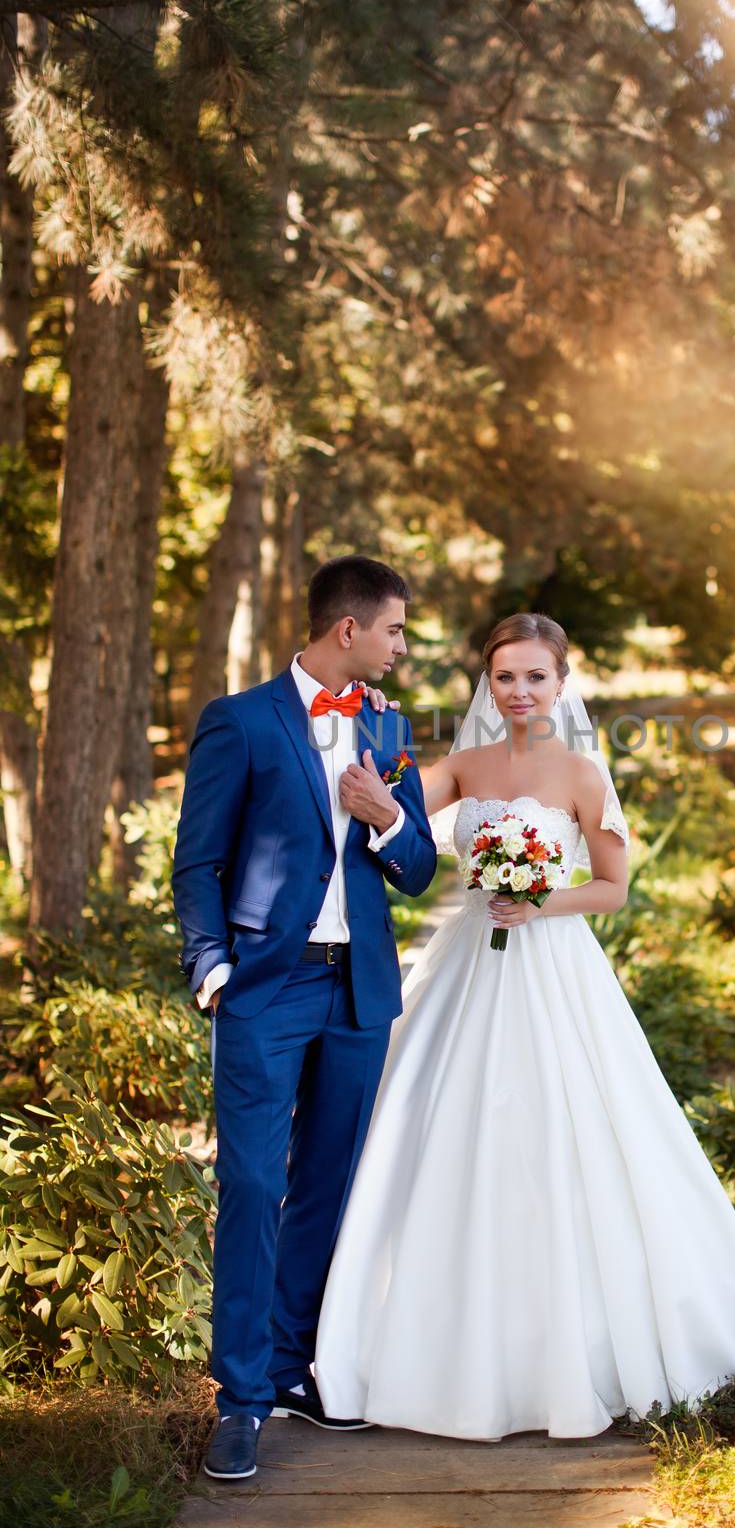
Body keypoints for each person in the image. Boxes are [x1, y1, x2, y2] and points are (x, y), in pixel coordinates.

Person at [313, 612, 735, 1440]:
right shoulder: (462, 765)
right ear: (486, 686)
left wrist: (537, 901)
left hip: (552, 963)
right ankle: (423, 1340)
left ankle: (575, 1344)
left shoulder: (582, 773)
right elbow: (386, 816)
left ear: (562, 684)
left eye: (535, 676)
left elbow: (611, 889)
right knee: (435, 1120)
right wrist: (368, 753)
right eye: (504, 677)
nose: (520, 691)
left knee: (572, 1131)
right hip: (465, 963)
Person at [172, 555, 437, 1480]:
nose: (403, 645)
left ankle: (291, 1371)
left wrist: (385, 818)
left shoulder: (391, 728)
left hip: (358, 991)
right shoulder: (239, 722)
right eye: (396, 629)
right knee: (251, 1187)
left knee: (330, 1182)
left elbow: (417, 870)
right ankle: (238, 1400)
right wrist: (210, 969)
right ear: (348, 630)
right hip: (264, 991)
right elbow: (196, 863)